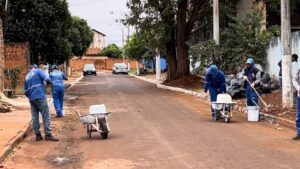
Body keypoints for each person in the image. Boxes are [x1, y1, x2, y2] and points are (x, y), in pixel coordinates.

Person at [24, 64, 59, 141]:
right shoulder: (38, 71)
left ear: (30, 69)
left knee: (35, 117)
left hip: (32, 99)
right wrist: (51, 84)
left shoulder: (26, 77)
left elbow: (25, 92)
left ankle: (38, 135)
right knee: (46, 115)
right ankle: (48, 134)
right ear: (35, 68)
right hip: (40, 96)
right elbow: (47, 78)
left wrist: (31, 96)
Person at [292, 54, 300, 140]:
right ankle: (299, 133)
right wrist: (298, 88)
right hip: (299, 96)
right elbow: (294, 79)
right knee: (298, 115)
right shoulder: (298, 71)